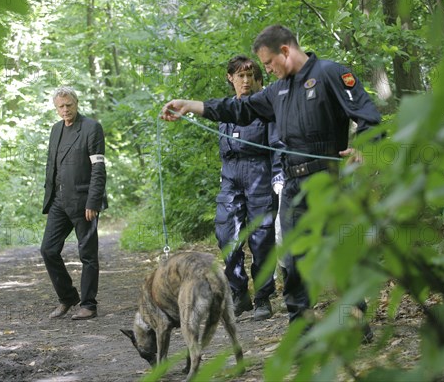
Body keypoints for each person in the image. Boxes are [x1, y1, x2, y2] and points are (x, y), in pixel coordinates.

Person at [161, 25, 381, 335]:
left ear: (286, 51)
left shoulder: (332, 73)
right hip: (293, 187)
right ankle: (302, 332)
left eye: (267, 64)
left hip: (328, 182)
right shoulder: (277, 91)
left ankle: (354, 322)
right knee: (292, 261)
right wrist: (191, 106)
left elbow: (369, 117)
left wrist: (364, 147)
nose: (265, 71)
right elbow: (239, 108)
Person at [215, 55, 284, 321]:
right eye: (240, 76)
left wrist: (278, 175)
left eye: (250, 76)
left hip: (260, 177)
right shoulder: (226, 110)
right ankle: (238, 292)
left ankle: (264, 297)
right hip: (231, 178)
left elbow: (277, 145)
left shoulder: (265, 109)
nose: (245, 81)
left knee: (261, 240)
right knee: (226, 235)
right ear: (230, 78)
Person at [40, 86, 107, 321]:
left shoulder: (91, 128)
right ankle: (68, 298)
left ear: (76, 103)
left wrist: (94, 201)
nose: (65, 109)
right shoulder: (56, 129)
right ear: (56, 108)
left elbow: (99, 168)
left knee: (87, 255)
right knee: (48, 250)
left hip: (84, 201)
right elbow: (52, 166)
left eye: (69, 105)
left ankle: (88, 305)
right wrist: (49, 201)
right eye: (61, 106)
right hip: (59, 201)